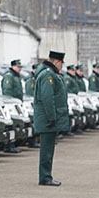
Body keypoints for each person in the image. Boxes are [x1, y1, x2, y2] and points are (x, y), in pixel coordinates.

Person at [33, 50, 67, 186]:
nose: (62, 66)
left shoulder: (51, 74)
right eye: (61, 64)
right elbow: (47, 98)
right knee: (46, 150)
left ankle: (46, 175)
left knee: (48, 149)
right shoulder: (48, 75)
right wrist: (52, 117)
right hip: (48, 119)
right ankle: (45, 177)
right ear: (56, 62)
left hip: (49, 117)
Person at [3, 59, 36, 148]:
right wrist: (10, 103)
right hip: (11, 105)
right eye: (18, 67)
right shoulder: (9, 76)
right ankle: (9, 145)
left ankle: (13, 144)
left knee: (16, 124)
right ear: (13, 66)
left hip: (17, 104)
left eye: (20, 67)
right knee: (11, 125)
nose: (20, 69)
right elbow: (7, 91)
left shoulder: (16, 76)